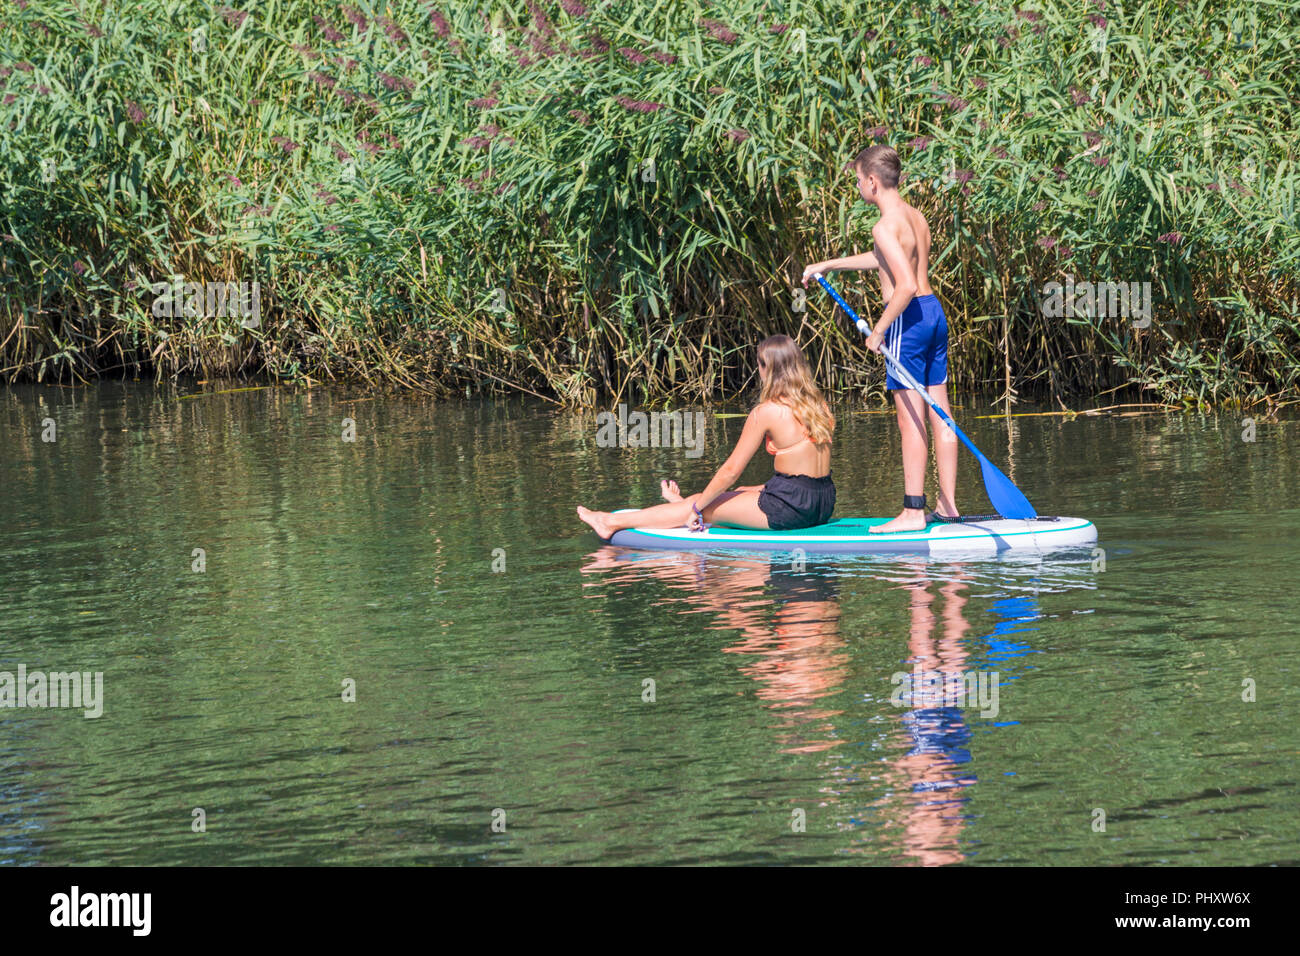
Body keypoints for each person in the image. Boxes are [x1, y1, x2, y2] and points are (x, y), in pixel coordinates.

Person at [802, 144, 959, 533]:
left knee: (911, 421)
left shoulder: (883, 225)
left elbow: (902, 284)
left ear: (872, 182)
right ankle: (949, 506)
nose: (857, 187)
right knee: (941, 413)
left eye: (858, 181)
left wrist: (880, 329)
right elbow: (888, 259)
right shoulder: (914, 216)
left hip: (907, 321)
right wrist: (830, 264)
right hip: (933, 314)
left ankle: (912, 511)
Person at [577, 335, 835, 540]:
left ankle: (609, 521)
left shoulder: (766, 411)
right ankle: (686, 506)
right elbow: (803, 474)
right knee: (740, 493)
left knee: (696, 504)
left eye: (760, 364)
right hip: (822, 502)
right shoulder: (819, 405)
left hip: (790, 508)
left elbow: (731, 470)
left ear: (768, 368)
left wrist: (698, 509)